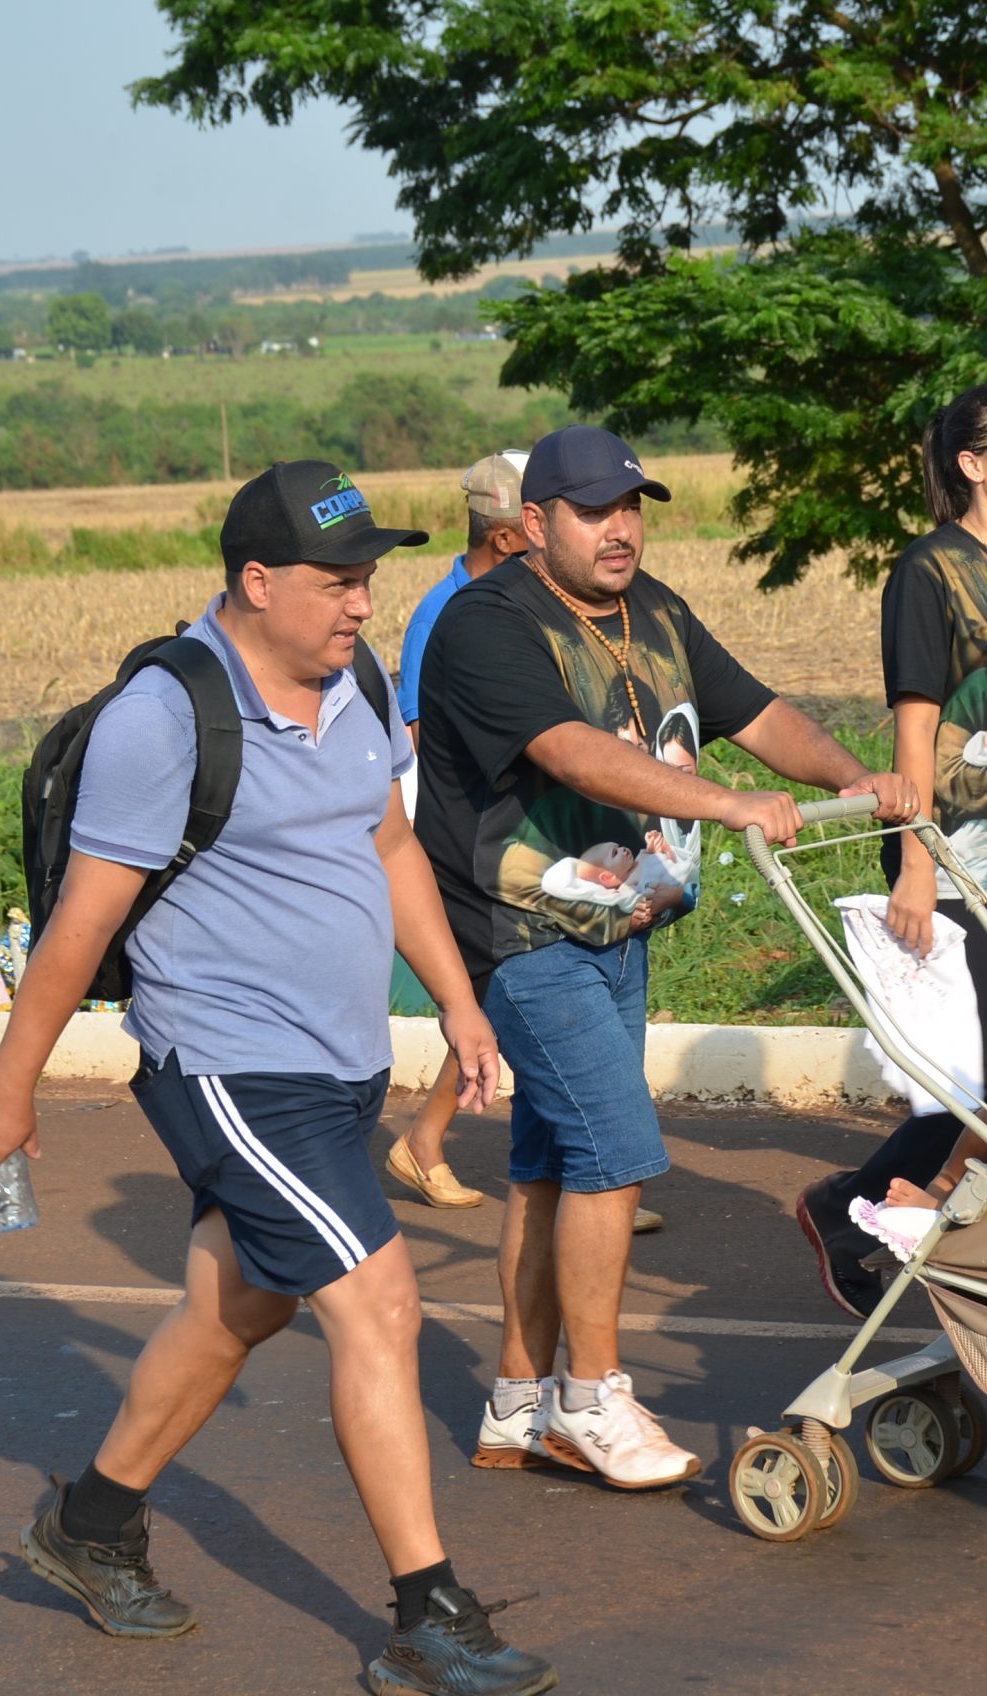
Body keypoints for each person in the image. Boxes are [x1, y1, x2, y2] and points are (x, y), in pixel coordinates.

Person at [0, 460, 554, 1696]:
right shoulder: (166, 717)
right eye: (337, 583)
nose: (360, 606)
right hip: (227, 1063)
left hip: (338, 1060)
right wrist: (7, 1084)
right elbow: (80, 921)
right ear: (257, 581)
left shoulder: (355, 683)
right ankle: (425, 1617)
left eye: (369, 581)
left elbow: (384, 839)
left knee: (243, 1300)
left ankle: (89, 1526)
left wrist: (453, 997)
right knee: (379, 1301)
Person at [412, 424, 917, 1488]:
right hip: (521, 933)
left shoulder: (657, 611)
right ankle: (593, 1399)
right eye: (596, 511)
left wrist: (861, 782)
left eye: (634, 506)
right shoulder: (486, 623)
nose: (621, 529)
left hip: (617, 928)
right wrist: (724, 802)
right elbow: (569, 750)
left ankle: (516, 1401)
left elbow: (756, 712)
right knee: (614, 1150)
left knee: (548, 1169)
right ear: (534, 524)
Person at [794, 381, 987, 1318]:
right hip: (963, 856)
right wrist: (916, 863)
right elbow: (916, 729)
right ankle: (871, 1218)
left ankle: (894, 1213)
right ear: (972, 465)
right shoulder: (929, 573)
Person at [384, 451, 534, 1214]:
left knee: (517, 988)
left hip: (526, 835)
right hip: (467, 841)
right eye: (539, 525)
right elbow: (417, 745)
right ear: (508, 538)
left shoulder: (526, 597)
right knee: (499, 987)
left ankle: (589, 1173)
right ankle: (426, 1141)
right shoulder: (441, 616)